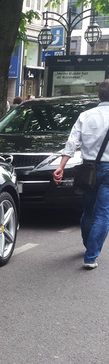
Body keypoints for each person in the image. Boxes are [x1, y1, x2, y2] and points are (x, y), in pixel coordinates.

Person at [53, 79, 109, 270]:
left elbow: (72, 143)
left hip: (88, 169)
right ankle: (91, 255)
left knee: (88, 210)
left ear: (98, 95)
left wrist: (61, 166)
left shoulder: (85, 116)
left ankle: (88, 245)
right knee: (103, 212)